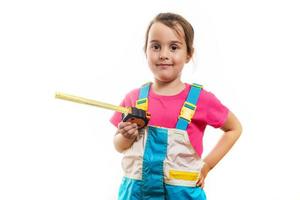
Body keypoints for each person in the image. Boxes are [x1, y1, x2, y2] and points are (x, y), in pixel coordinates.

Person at [110, 12, 242, 200]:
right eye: (155, 46)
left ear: (188, 54)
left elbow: (234, 128)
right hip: (135, 194)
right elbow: (118, 145)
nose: (163, 55)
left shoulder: (202, 100)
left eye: (174, 47)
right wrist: (124, 136)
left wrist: (207, 166)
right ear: (145, 51)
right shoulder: (133, 99)